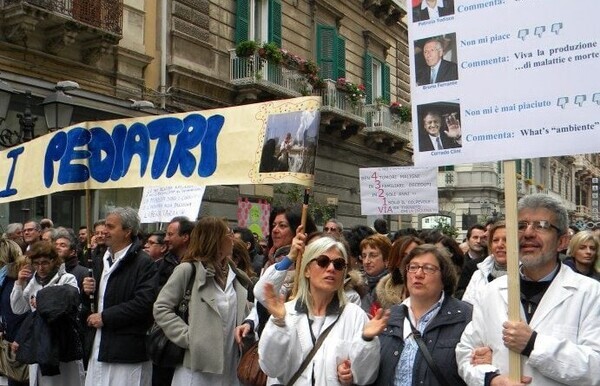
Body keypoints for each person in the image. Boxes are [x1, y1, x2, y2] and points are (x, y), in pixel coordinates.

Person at [456, 193, 600, 386]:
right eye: (521, 226)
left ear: (562, 242)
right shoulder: (492, 291)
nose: (528, 233)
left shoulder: (590, 293)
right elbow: (466, 353)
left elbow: (595, 369)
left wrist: (533, 344)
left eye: (542, 225)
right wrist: (492, 379)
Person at [258, 237, 388, 385]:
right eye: (323, 261)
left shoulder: (355, 315)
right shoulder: (286, 313)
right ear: (307, 270)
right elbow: (270, 368)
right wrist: (278, 324)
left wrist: (366, 340)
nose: (331, 268)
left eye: (339, 264)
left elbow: (365, 377)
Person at [153, 217, 252, 385]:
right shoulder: (187, 270)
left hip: (230, 365)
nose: (233, 238)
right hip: (197, 369)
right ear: (216, 239)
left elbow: (242, 309)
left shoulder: (235, 275)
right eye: (229, 234)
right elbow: (161, 307)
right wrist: (190, 337)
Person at [364, 244, 472, 386]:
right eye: (413, 267)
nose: (418, 274)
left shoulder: (465, 316)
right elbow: (366, 375)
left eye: (428, 268)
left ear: (444, 278)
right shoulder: (389, 316)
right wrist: (366, 340)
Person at [82, 207, 158, 386]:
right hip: (98, 347)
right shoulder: (99, 260)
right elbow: (93, 304)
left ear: (127, 231)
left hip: (127, 351)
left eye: (110, 227)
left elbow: (144, 303)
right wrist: (87, 292)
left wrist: (106, 317)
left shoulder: (143, 263)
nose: (104, 232)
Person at [10, 241, 85, 385]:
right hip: (40, 342)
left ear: (53, 260)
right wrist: (19, 283)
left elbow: (70, 303)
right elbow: (18, 309)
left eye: (44, 263)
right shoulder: (33, 282)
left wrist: (43, 303)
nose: (40, 268)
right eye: (36, 264)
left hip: (62, 340)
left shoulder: (66, 279)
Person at [0, 239, 29, 386]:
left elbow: (22, 313)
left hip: (20, 342)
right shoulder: (4, 281)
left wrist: (18, 338)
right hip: (11, 340)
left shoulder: (16, 281)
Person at [462, 222, 507, 308]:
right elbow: (467, 308)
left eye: (506, 240)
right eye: (495, 240)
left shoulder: (526, 274)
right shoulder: (478, 275)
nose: (500, 245)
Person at [376, 235, 422, 309]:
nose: (409, 260)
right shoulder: (382, 291)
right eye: (404, 256)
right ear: (396, 261)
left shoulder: (432, 291)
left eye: (414, 255)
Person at [360, 234, 392, 315]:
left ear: (386, 260)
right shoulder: (360, 286)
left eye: (373, 255)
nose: (367, 261)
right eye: (364, 256)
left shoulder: (392, 289)